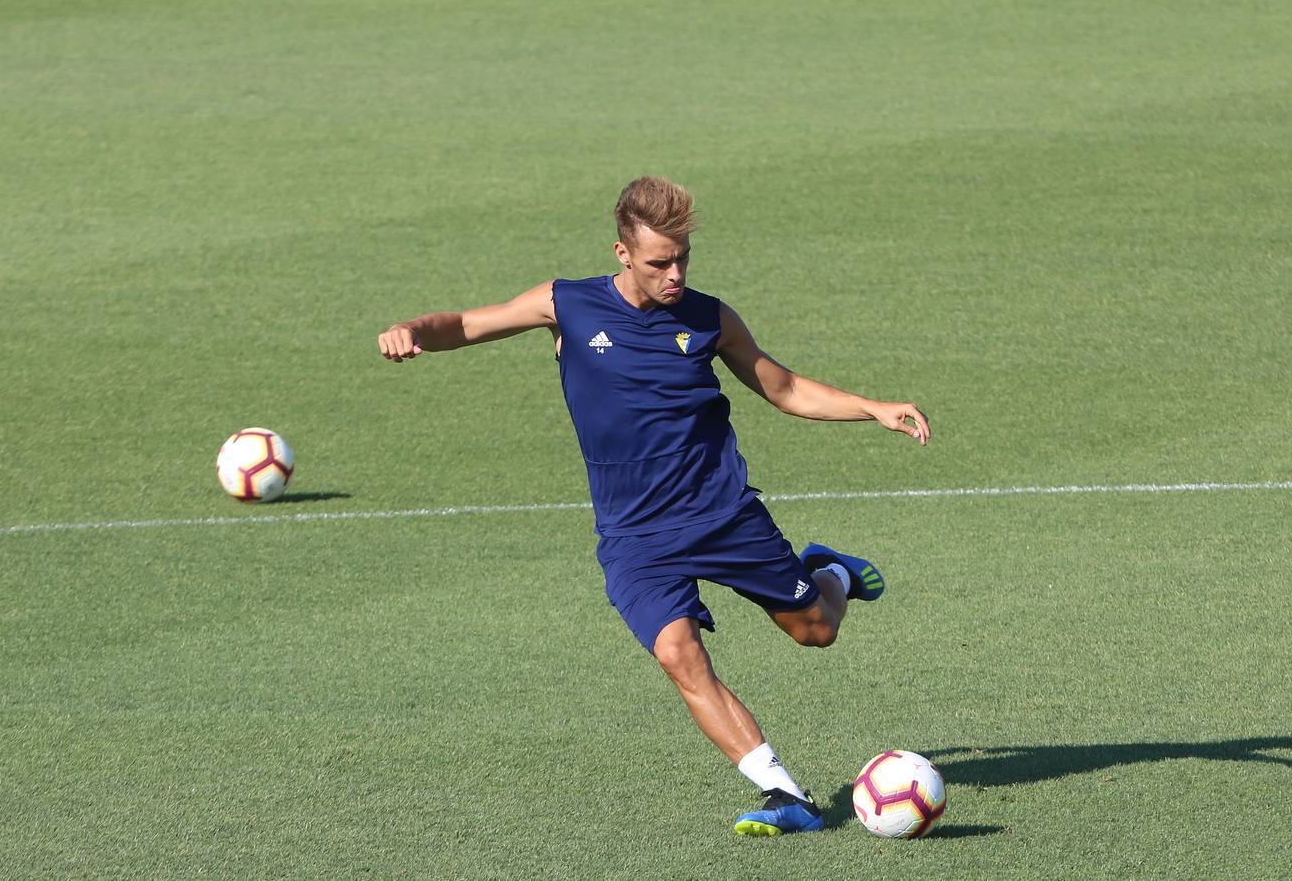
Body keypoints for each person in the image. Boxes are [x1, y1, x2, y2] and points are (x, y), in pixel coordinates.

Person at [378, 176, 930, 836]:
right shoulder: (568, 305)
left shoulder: (708, 317)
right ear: (622, 253)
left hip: (719, 513)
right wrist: (413, 329)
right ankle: (788, 795)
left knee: (816, 630)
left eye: (682, 259)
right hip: (634, 533)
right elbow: (469, 324)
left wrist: (873, 408)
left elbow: (782, 388)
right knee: (677, 653)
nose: (674, 275)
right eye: (658, 263)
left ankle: (833, 573)